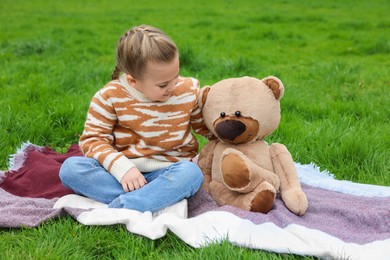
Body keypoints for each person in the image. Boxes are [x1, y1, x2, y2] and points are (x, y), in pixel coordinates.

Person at [59, 24, 209, 213]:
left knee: (192, 174)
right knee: (71, 169)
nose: (173, 86)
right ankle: (149, 200)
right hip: (122, 174)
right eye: (163, 84)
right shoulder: (109, 96)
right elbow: (93, 139)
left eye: (176, 75)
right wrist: (123, 169)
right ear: (132, 80)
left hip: (171, 171)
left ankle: (123, 206)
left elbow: (205, 127)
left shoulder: (188, 91)